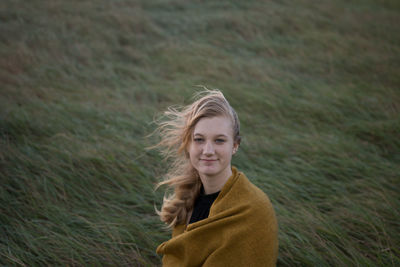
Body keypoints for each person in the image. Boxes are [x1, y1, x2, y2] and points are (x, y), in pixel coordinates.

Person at [154, 89, 278, 266]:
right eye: (199, 139)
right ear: (188, 144)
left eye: (219, 140)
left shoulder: (255, 209)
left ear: (235, 146)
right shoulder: (188, 199)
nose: (208, 151)